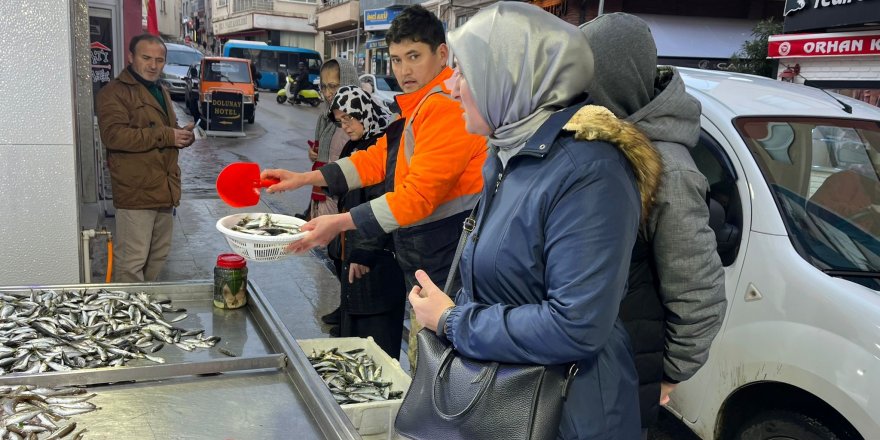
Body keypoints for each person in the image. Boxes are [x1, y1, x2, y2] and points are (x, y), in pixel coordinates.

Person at [408, 4, 660, 438]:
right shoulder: (508, 156)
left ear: (506, 78)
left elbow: (575, 325)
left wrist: (452, 321)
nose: (451, 87)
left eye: (465, 73)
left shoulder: (589, 171)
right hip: (509, 406)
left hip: (567, 419)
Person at [261, 4, 487, 370]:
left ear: (442, 54)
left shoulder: (446, 107)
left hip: (450, 263)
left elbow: (418, 197)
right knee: (423, 359)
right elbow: (377, 159)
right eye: (396, 59)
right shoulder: (419, 105)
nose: (404, 70)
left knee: (436, 367)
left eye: (414, 56)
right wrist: (306, 178)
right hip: (429, 259)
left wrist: (340, 222)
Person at [580, 13, 727, 437]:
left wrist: (670, 374)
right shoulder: (603, 141)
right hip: (596, 358)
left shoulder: (668, 169)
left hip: (629, 365)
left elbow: (698, 287)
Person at [96, 34, 195, 282]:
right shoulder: (114, 92)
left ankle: (143, 307)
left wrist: (182, 136)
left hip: (164, 190)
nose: (153, 65)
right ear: (131, 57)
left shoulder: (160, 89)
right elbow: (114, 136)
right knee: (132, 262)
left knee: (157, 257)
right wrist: (166, 136)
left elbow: (165, 132)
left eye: (159, 60)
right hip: (136, 192)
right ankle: (127, 315)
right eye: (146, 58)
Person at [325, 85, 405, 358]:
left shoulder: (384, 146)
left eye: (349, 118)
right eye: (340, 121)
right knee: (353, 330)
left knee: (376, 339)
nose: (345, 126)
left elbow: (386, 202)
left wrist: (365, 251)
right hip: (354, 250)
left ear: (365, 112)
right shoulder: (354, 144)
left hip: (377, 258)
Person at [308, 57, 359, 331]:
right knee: (335, 255)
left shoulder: (357, 117)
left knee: (346, 256)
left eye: (335, 86)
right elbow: (324, 153)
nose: (329, 93)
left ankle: (349, 313)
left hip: (345, 199)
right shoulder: (326, 117)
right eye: (325, 86)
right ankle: (343, 308)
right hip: (325, 194)